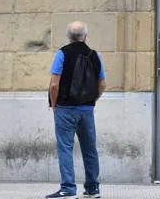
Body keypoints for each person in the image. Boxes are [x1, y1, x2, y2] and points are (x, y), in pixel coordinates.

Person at [47, 21, 106, 199]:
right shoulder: (94, 55)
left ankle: (68, 188)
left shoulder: (62, 53)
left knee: (65, 147)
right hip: (86, 109)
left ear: (68, 36)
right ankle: (92, 188)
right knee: (90, 148)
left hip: (65, 108)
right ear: (85, 36)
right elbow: (102, 84)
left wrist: (54, 104)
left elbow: (54, 84)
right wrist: (92, 100)